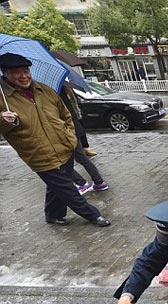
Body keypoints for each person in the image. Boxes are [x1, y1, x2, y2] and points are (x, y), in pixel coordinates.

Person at [0, 53, 110, 227]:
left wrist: (70, 136)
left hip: (64, 146)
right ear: (5, 73)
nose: (24, 76)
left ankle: (52, 215)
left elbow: (65, 115)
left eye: (26, 70)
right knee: (67, 188)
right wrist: (2, 120)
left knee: (56, 186)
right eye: (17, 72)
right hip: (37, 153)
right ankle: (93, 215)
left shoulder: (44, 90)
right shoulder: (3, 99)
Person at [59, 83, 109, 195]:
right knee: (79, 157)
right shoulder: (63, 88)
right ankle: (98, 182)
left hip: (65, 131)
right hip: (73, 128)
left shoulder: (51, 94)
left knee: (64, 162)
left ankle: (83, 183)